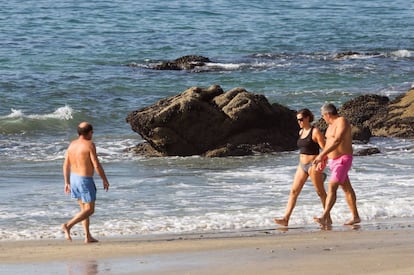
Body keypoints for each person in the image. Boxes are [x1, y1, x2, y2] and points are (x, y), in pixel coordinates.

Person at [274, 108, 331, 227]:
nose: (299, 122)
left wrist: (321, 160)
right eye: (297, 120)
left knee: (320, 192)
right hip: (302, 166)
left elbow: (325, 148)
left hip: (313, 165)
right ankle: (286, 218)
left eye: (300, 119)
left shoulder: (315, 132)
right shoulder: (301, 132)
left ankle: (327, 218)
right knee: (294, 191)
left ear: (307, 118)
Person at [313, 103, 360, 227]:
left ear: (327, 114)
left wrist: (321, 155)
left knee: (332, 186)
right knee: (346, 189)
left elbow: (338, 140)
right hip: (333, 161)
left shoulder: (341, 121)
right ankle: (355, 217)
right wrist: (323, 159)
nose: (323, 118)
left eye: (323, 116)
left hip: (343, 159)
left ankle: (324, 216)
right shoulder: (330, 127)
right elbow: (329, 145)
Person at [61, 122, 110, 243]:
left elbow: (66, 165)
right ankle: (68, 225)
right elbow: (96, 164)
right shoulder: (89, 145)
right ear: (89, 133)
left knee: (83, 209)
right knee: (90, 210)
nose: (92, 134)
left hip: (74, 178)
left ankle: (87, 236)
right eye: (92, 132)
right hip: (84, 180)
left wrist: (66, 182)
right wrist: (104, 179)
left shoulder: (72, 145)